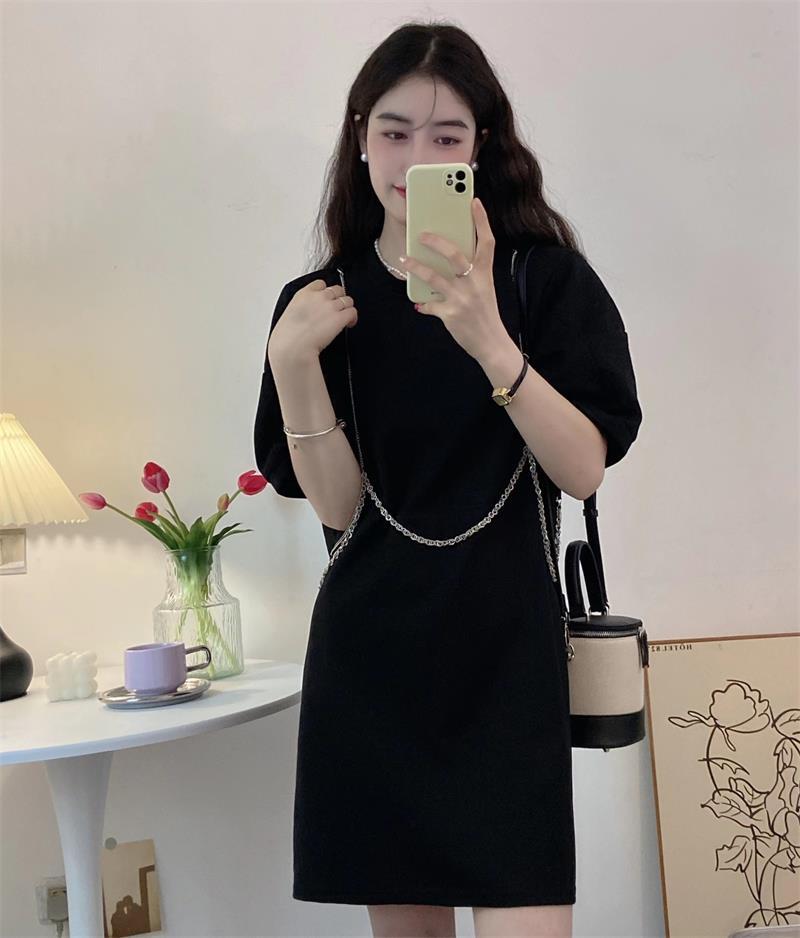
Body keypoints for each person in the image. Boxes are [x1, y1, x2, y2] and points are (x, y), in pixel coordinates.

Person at [254, 20, 642, 938]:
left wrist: (485, 335)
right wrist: (293, 366)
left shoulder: (544, 284)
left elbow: (583, 466)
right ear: (359, 137)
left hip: (507, 667)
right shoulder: (320, 306)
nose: (416, 158)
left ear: (480, 147)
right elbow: (342, 512)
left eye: (446, 135)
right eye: (394, 132)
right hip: (373, 668)